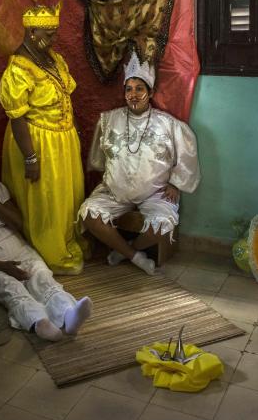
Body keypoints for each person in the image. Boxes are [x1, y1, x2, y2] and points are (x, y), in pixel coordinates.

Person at [0, 148, 93, 342]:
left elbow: (17, 223)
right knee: (10, 287)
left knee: (41, 276)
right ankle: (38, 322)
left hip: (20, 250)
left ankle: (69, 316)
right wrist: (3, 267)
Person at [79, 51, 200, 275]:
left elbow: (186, 153)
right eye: (129, 89)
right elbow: (100, 160)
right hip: (114, 191)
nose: (133, 95)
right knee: (88, 214)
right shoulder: (109, 120)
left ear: (151, 92)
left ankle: (125, 251)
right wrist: (109, 180)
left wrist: (176, 183)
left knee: (164, 224)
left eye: (139, 89)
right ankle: (135, 256)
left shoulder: (168, 124)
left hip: (155, 193)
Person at [0, 3, 87, 275]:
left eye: (54, 33)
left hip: (62, 140)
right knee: (46, 199)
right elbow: (17, 117)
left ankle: (66, 240)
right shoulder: (19, 68)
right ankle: (50, 251)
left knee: (66, 196)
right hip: (37, 142)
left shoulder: (54, 59)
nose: (52, 39)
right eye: (48, 34)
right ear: (31, 31)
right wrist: (31, 157)